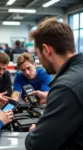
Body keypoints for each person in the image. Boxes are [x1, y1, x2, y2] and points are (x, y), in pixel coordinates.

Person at [25, 18, 83, 150]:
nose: (38, 59)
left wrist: (33, 132)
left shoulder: (65, 88)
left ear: (46, 50)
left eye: (37, 54)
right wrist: (52, 96)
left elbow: (37, 145)